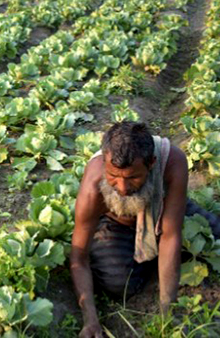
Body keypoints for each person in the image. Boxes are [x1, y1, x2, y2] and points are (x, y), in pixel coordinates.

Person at [70, 121, 220, 338]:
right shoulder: (93, 188)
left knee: (216, 235)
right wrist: (89, 319)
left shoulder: (173, 163)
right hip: (117, 224)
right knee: (117, 284)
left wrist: (166, 311)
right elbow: (78, 257)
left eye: (132, 177)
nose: (122, 188)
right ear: (104, 163)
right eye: (114, 177)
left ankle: (155, 258)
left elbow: (170, 235)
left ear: (151, 164)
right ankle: (146, 258)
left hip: (164, 209)